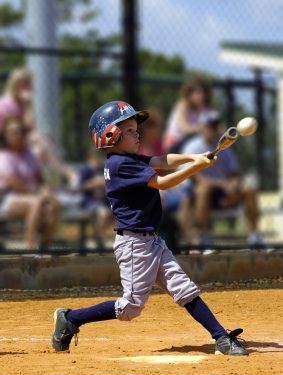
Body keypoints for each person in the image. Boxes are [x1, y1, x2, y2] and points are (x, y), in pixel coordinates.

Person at [51, 100, 248, 356]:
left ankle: (221, 337)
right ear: (112, 135)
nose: (137, 134)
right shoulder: (119, 164)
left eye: (136, 129)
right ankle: (71, 318)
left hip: (152, 241)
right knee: (130, 307)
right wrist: (196, 167)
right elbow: (162, 182)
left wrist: (193, 157)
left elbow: (161, 160)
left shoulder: (129, 158)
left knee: (184, 289)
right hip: (135, 246)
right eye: (130, 130)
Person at [177, 110, 263, 247]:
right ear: (201, 128)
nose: (213, 129)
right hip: (197, 195)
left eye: (215, 126)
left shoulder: (226, 147)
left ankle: (255, 236)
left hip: (222, 193)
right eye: (209, 126)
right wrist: (224, 185)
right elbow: (196, 179)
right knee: (203, 190)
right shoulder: (193, 146)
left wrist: (233, 187)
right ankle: (203, 238)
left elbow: (234, 174)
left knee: (249, 189)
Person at [0, 68, 76, 186]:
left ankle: (49, 184)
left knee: (39, 149)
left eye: (28, 84)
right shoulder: (8, 103)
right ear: (15, 85)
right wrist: (28, 104)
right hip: (7, 144)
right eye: (23, 84)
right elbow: (24, 129)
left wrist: (27, 105)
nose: (27, 88)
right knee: (38, 139)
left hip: (21, 143)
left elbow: (28, 128)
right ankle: (67, 172)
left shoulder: (20, 104)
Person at [0, 116, 61, 249]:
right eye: (14, 132)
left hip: (31, 195)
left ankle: (45, 246)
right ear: (6, 136)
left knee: (54, 206)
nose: (18, 135)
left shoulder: (29, 154)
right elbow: (13, 182)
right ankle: (30, 248)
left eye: (20, 131)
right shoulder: (4, 156)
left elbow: (40, 179)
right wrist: (38, 194)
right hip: (7, 198)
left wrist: (47, 193)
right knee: (36, 202)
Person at [163, 76, 213, 153]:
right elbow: (185, 128)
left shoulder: (206, 108)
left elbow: (215, 127)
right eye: (198, 92)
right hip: (175, 144)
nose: (201, 95)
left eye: (204, 92)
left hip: (194, 144)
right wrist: (201, 129)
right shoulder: (183, 105)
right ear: (189, 93)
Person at [78, 148, 113, 248]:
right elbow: (81, 186)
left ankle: (97, 238)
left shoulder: (104, 168)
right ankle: (98, 239)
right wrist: (95, 183)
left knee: (118, 212)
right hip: (90, 202)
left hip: (104, 201)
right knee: (104, 213)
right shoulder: (85, 169)